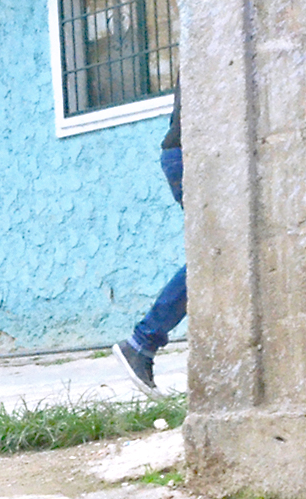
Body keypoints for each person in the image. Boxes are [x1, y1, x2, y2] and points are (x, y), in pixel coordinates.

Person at [112, 87, 183, 399]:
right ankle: (142, 342)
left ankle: (142, 342)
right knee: (219, 259)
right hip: (191, 153)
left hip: (181, 152)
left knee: (223, 260)